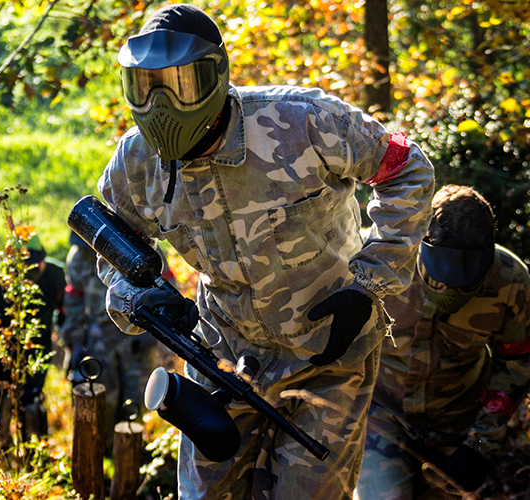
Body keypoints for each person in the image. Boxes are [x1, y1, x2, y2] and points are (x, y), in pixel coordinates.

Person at [94, 4, 435, 499]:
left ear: (216, 76)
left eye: (179, 84)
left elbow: (407, 169)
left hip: (330, 357)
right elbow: (113, 246)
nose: (160, 104)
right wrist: (136, 297)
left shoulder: (302, 122)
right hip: (223, 357)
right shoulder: (137, 161)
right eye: (145, 86)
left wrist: (369, 284)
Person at [355, 185, 530, 500]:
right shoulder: (380, 256)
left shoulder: (511, 282)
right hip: (381, 412)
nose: (451, 288)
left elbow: (517, 367)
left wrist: (481, 442)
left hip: (456, 428)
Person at [0, 234, 66, 443]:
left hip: (36, 351)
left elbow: (64, 309)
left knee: (31, 403)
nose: (29, 272)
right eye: (23, 266)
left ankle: (32, 454)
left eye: (34, 265)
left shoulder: (55, 275)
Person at [60, 231, 161, 437]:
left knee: (136, 396)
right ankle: (105, 450)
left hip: (137, 338)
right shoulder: (78, 258)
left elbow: (165, 292)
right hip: (101, 340)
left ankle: (133, 450)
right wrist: (76, 342)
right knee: (104, 396)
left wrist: (153, 332)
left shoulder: (140, 251)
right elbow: (74, 304)